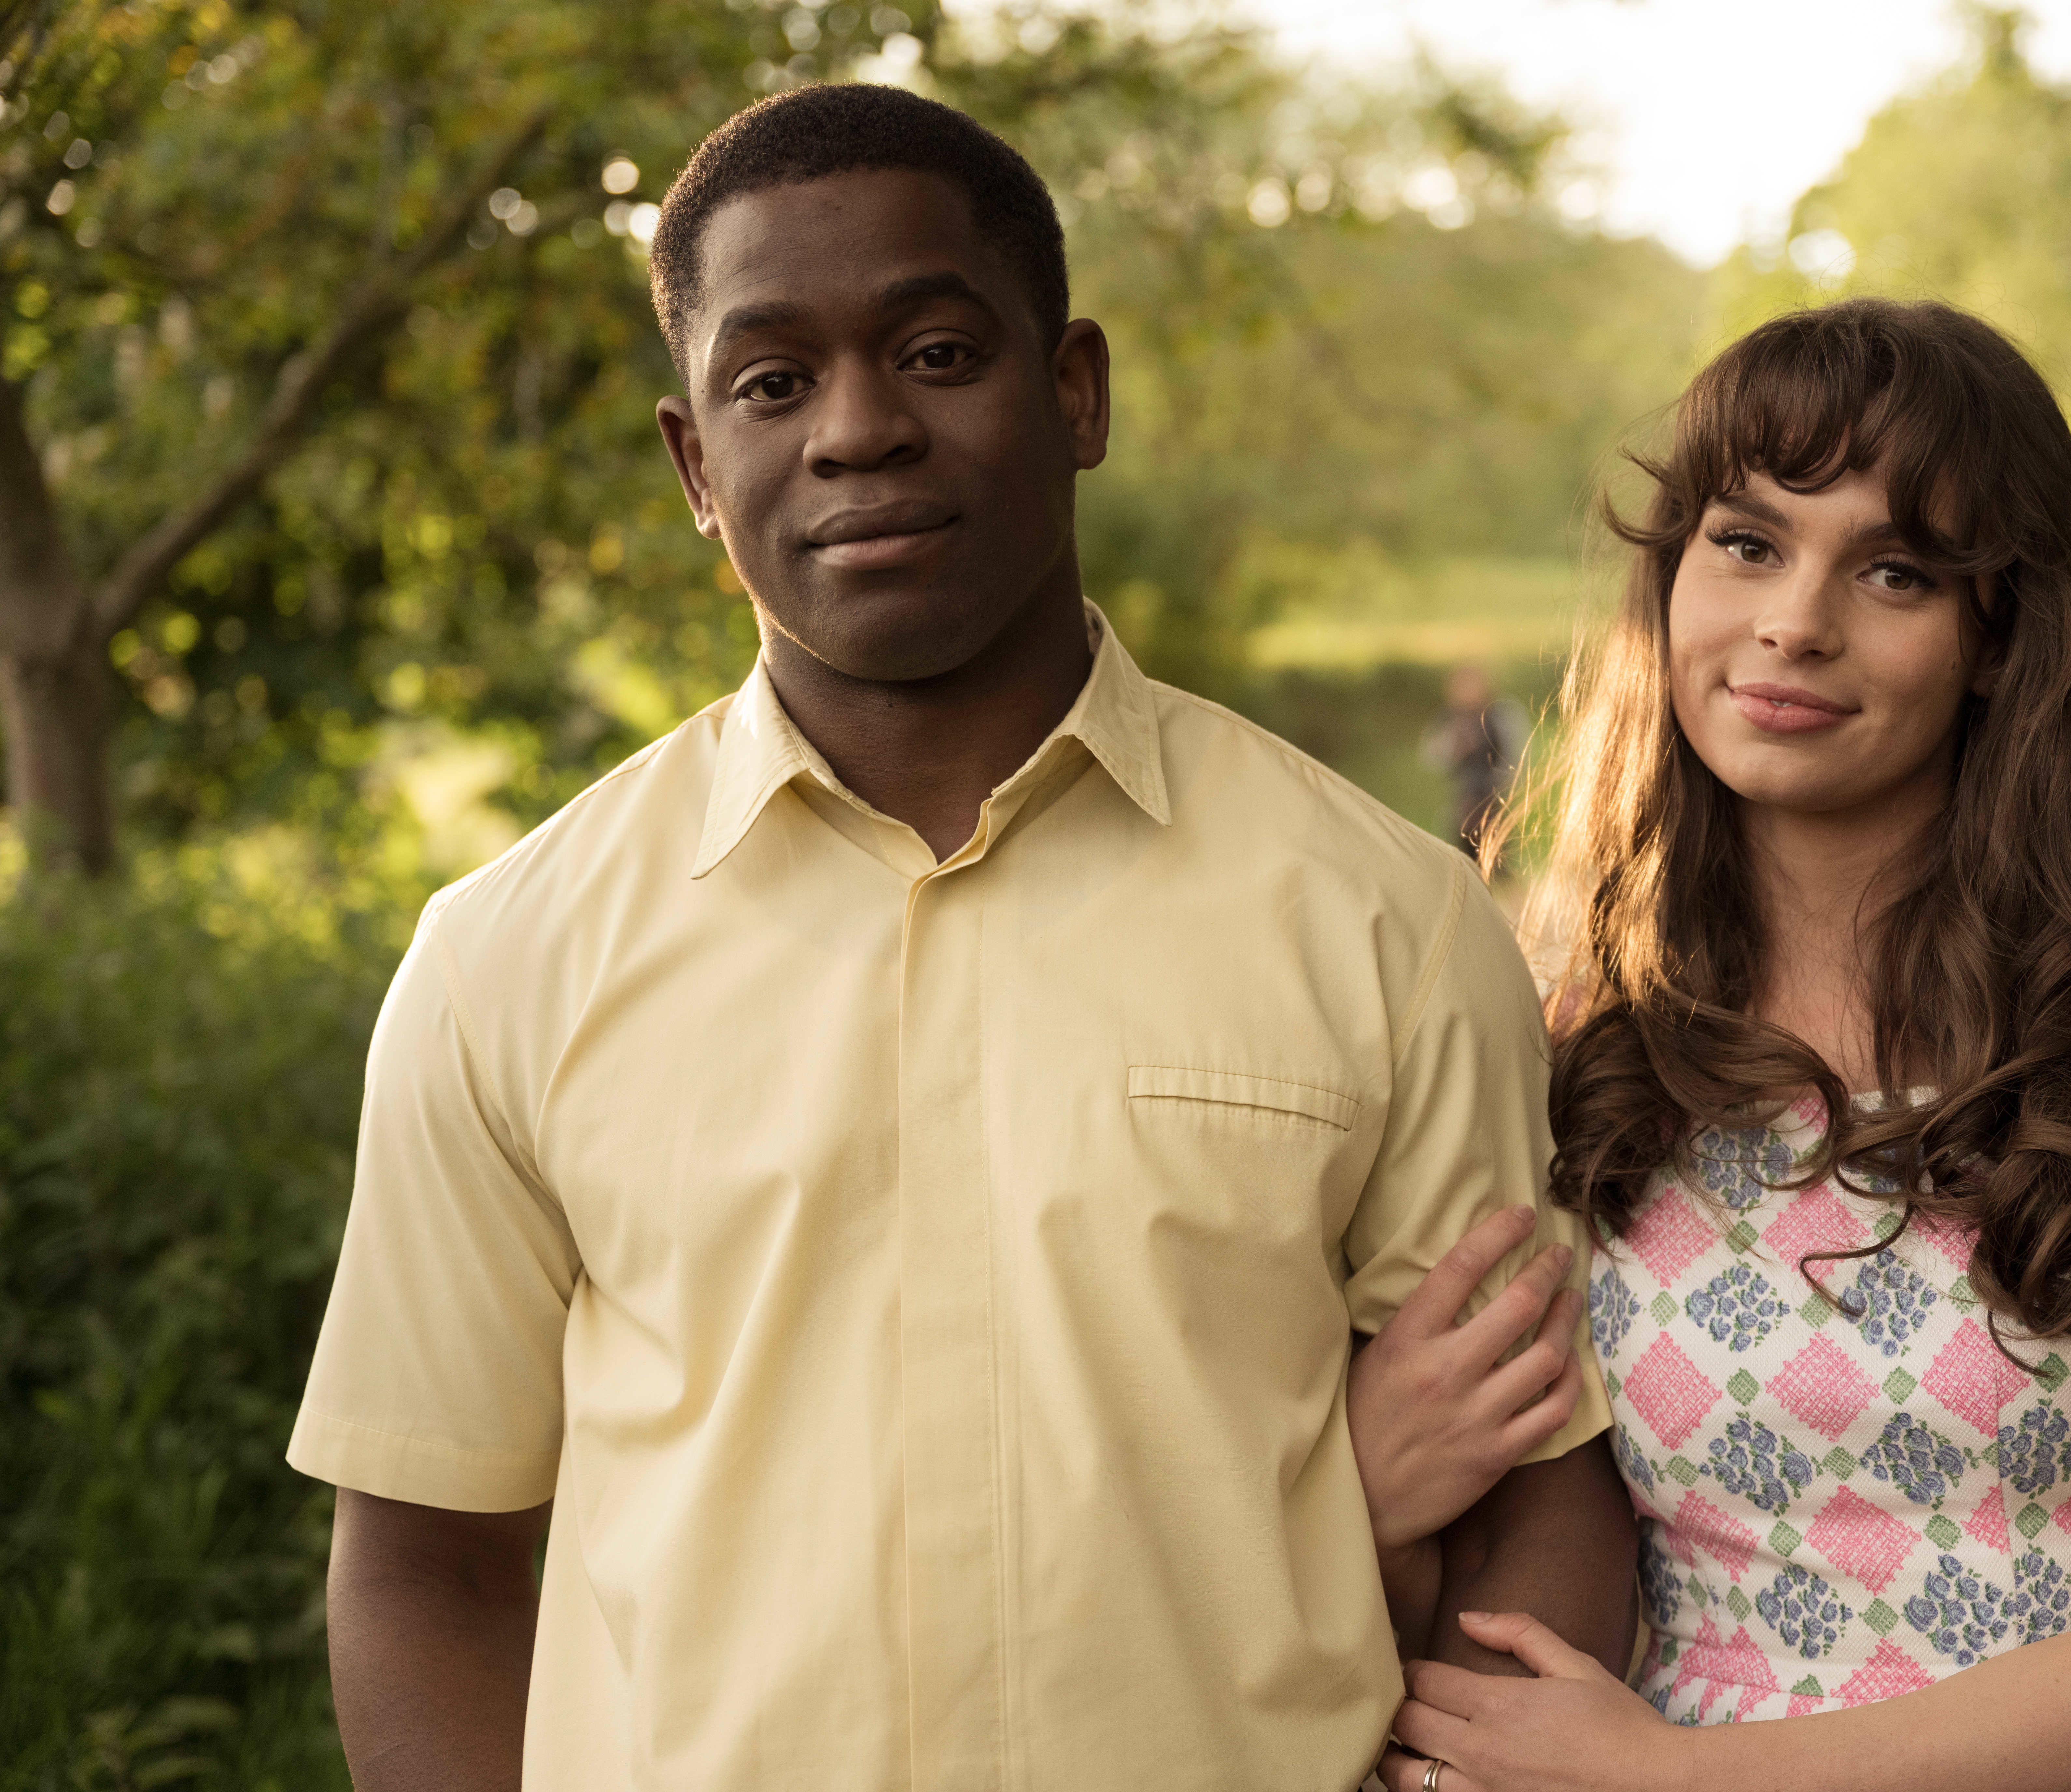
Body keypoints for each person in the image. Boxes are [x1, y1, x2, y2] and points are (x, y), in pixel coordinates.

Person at [286, 83, 1634, 1792]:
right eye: (772, 383)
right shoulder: (507, 959)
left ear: (1075, 393)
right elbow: (426, 1567)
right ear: (697, 466)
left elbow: (1545, 1504)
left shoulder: (1389, 921)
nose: (856, 431)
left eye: (934, 352)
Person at [1349, 299, 2071, 1792]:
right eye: (1746, 542)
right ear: (1669, 576)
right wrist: (1364, 1494)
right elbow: (1522, 1550)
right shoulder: (1569, 1030)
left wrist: (1686, 1782)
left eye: (1893, 569)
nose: (1792, 620)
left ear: (1996, 637)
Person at [1421, 664, 1528, 860]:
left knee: (1499, 859)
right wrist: (1455, 746)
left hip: (1493, 798)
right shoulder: (1452, 718)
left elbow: (1514, 757)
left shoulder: (1500, 716)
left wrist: (1500, 787)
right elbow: (1433, 757)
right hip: (1463, 798)